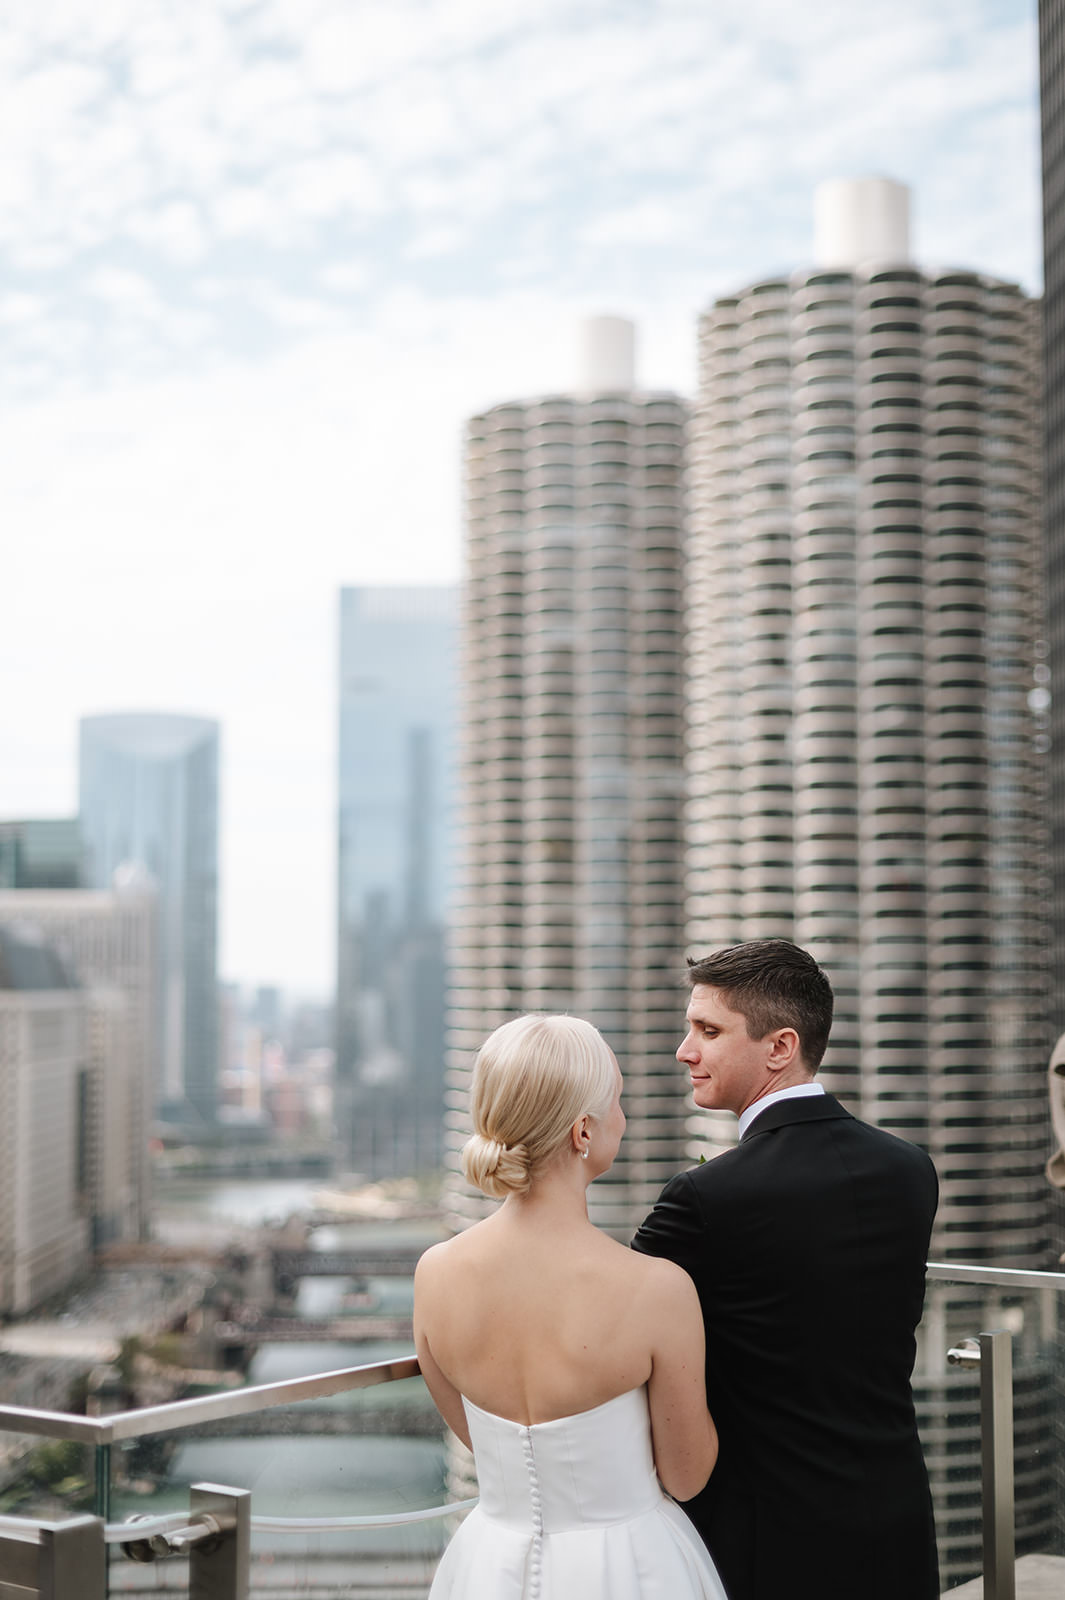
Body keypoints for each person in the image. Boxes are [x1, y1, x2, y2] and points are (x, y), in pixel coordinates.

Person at [633, 939, 940, 1600]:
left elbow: (614, 1341)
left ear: (779, 1047)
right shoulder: (909, 1169)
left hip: (761, 1540)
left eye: (707, 1031)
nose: (684, 1051)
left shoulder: (705, 1198)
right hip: (897, 1520)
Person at [415, 1012, 727, 1600]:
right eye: (617, 1100)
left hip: (488, 1567)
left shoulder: (435, 1275)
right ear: (582, 1131)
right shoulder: (656, 1289)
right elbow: (687, 1476)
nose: (624, 1118)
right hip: (630, 1569)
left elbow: (479, 1440)